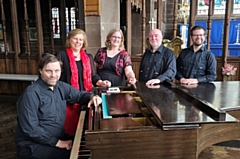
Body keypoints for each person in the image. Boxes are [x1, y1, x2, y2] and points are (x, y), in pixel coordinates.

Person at [15, 54, 102, 159]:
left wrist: (92, 96)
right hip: (32, 145)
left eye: (57, 71)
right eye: (49, 71)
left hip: (55, 138)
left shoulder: (60, 86)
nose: (53, 75)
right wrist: (58, 143)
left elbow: (79, 95)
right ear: (40, 71)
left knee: (86, 146)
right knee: (77, 155)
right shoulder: (31, 93)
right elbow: (31, 129)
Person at [56, 29, 97, 138]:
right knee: (69, 129)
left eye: (81, 39)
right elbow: (56, 77)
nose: (78, 42)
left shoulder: (89, 57)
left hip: (86, 96)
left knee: (85, 126)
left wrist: (101, 82)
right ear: (69, 40)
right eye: (75, 39)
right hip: (68, 99)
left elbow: (93, 76)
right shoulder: (61, 55)